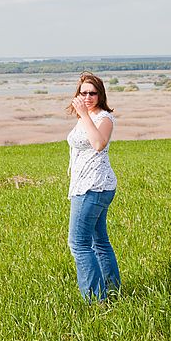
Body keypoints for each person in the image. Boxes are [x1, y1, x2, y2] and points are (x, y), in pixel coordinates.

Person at [66, 71, 121, 303]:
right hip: (86, 186)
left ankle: (95, 300)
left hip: (94, 187)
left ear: (101, 95)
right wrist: (82, 115)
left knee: (78, 243)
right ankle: (111, 290)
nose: (87, 97)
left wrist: (84, 115)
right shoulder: (85, 117)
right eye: (83, 92)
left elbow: (99, 144)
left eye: (92, 93)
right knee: (99, 241)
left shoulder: (103, 118)